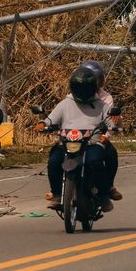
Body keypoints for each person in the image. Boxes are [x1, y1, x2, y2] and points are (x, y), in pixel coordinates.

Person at [37, 66, 117, 211]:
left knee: (96, 162)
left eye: (86, 88)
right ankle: (56, 193)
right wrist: (43, 124)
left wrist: (115, 123)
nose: (83, 92)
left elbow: (111, 122)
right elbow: (51, 119)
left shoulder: (102, 105)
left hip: (92, 143)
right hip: (67, 142)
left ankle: (104, 195)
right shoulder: (65, 104)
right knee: (54, 161)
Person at [80, 60, 122, 202]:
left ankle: (108, 187)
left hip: (96, 135)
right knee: (58, 155)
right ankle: (57, 189)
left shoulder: (105, 97)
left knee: (111, 154)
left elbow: (110, 119)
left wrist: (107, 135)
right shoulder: (74, 95)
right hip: (76, 135)